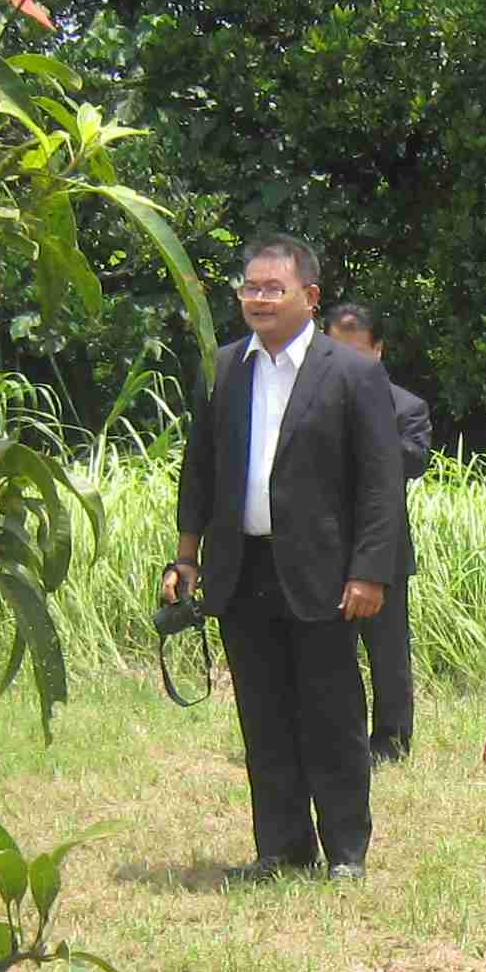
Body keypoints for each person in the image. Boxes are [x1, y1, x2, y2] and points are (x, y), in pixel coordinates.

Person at [169, 236, 405, 880]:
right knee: (264, 716)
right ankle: (282, 849)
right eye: (250, 287)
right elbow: (199, 472)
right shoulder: (224, 369)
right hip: (242, 569)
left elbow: (381, 483)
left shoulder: (352, 373)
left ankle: (346, 853)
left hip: (325, 576)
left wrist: (369, 570)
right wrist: (186, 555)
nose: (259, 298)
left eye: (273, 288)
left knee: (332, 716)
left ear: (310, 296)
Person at [322, 301, 428, 765]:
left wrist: (365, 428)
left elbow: (414, 461)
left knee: (388, 654)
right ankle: (336, 738)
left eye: (357, 353)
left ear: (379, 351)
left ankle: (392, 741)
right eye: (334, 351)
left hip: (382, 552)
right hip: (321, 548)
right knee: (328, 654)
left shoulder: (406, 405)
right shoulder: (308, 401)